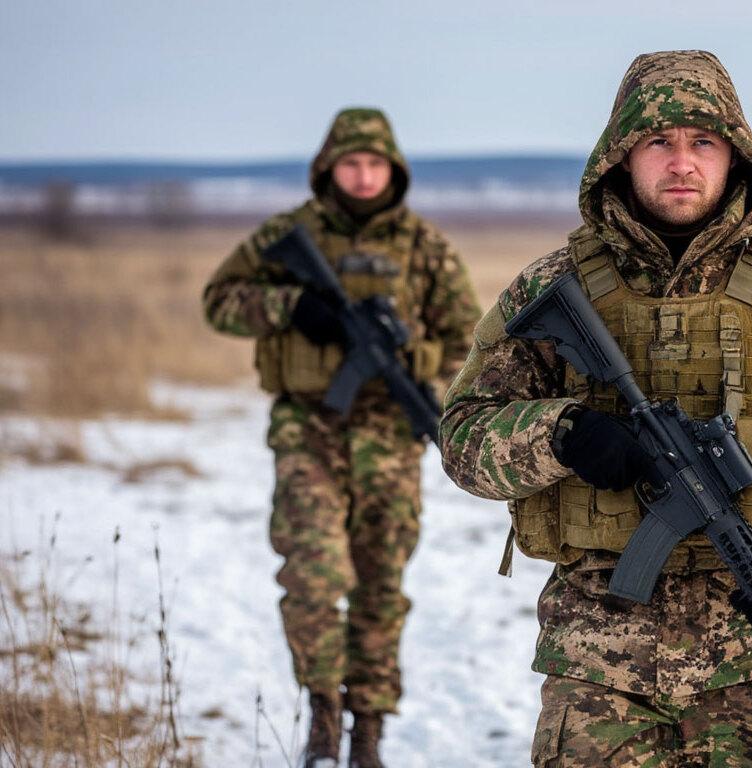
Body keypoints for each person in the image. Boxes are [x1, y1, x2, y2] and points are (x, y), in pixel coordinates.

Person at [439, 51, 752, 766]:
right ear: (621, 156)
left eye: (703, 142)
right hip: (599, 668)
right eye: (658, 142)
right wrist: (561, 433)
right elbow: (461, 438)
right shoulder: (555, 287)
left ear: (735, 158)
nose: (682, 163)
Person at [203, 107, 481, 768]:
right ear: (330, 168)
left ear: (394, 171)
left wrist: (410, 358)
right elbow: (219, 299)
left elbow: (469, 336)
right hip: (309, 431)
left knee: (381, 585)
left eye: (374, 164)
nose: (362, 176)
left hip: (389, 435)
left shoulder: (425, 247)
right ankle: (323, 715)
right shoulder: (288, 234)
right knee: (312, 575)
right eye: (351, 164)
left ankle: (370, 732)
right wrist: (292, 307)